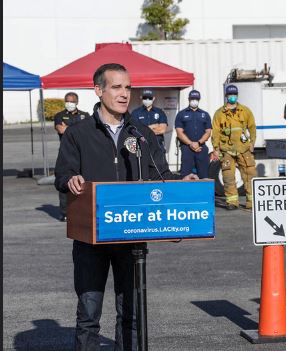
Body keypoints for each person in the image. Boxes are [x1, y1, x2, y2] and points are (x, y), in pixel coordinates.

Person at [54, 63, 191, 350]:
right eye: (116, 87)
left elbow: (160, 176)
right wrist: (72, 180)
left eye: (128, 87)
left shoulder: (141, 134)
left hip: (131, 235)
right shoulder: (77, 133)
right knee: (89, 315)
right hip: (91, 237)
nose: (124, 94)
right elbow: (62, 175)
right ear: (98, 90)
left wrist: (182, 181)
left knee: (130, 313)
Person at [211, 84, 257, 210]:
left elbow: (252, 128)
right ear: (226, 96)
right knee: (228, 176)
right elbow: (215, 132)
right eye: (230, 94)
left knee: (249, 175)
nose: (232, 97)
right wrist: (216, 148)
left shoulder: (245, 111)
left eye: (234, 94)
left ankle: (251, 202)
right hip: (227, 150)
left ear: (237, 95)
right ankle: (232, 202)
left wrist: (252, 142)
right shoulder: (219, 113)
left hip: (244, 149)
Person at [53, 92, 91, 222]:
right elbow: (61, 130)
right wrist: (77, 128)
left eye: (72, 101)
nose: (69, 104)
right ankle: (64, 212)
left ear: (77, 102)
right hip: (66, 153)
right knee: (65, 181)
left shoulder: (85, 115)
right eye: (67, 101)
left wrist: (69, 128)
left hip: (84, 153)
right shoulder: (59, 116)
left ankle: (83, 209)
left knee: (83, 181)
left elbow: (88, 132)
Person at [175, 90, 212, 179]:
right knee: (186, 175)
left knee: (204, 175)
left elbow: (208, 132)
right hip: (186, 148)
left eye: (196, 99)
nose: (194, 101)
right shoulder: (181, 114)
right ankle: (185, 192)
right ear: (188, 99)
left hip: (201, 147)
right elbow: (179, 133)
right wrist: (191, 144)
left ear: (199, 100)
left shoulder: (205, 114)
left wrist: (198, 143)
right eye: (192, 99)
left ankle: (203, 192)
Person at [130, 89, 168, 155]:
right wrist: (153, 127)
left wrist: (144, 129)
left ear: (153, 98)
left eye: (149, 98)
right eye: (145, 98)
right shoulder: (135, 113)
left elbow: (162, 129)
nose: (147, 100)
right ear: (141, 98)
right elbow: (135, 130)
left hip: (157, 147)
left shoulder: (160, 112)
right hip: (142, 147)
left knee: (159, 165)